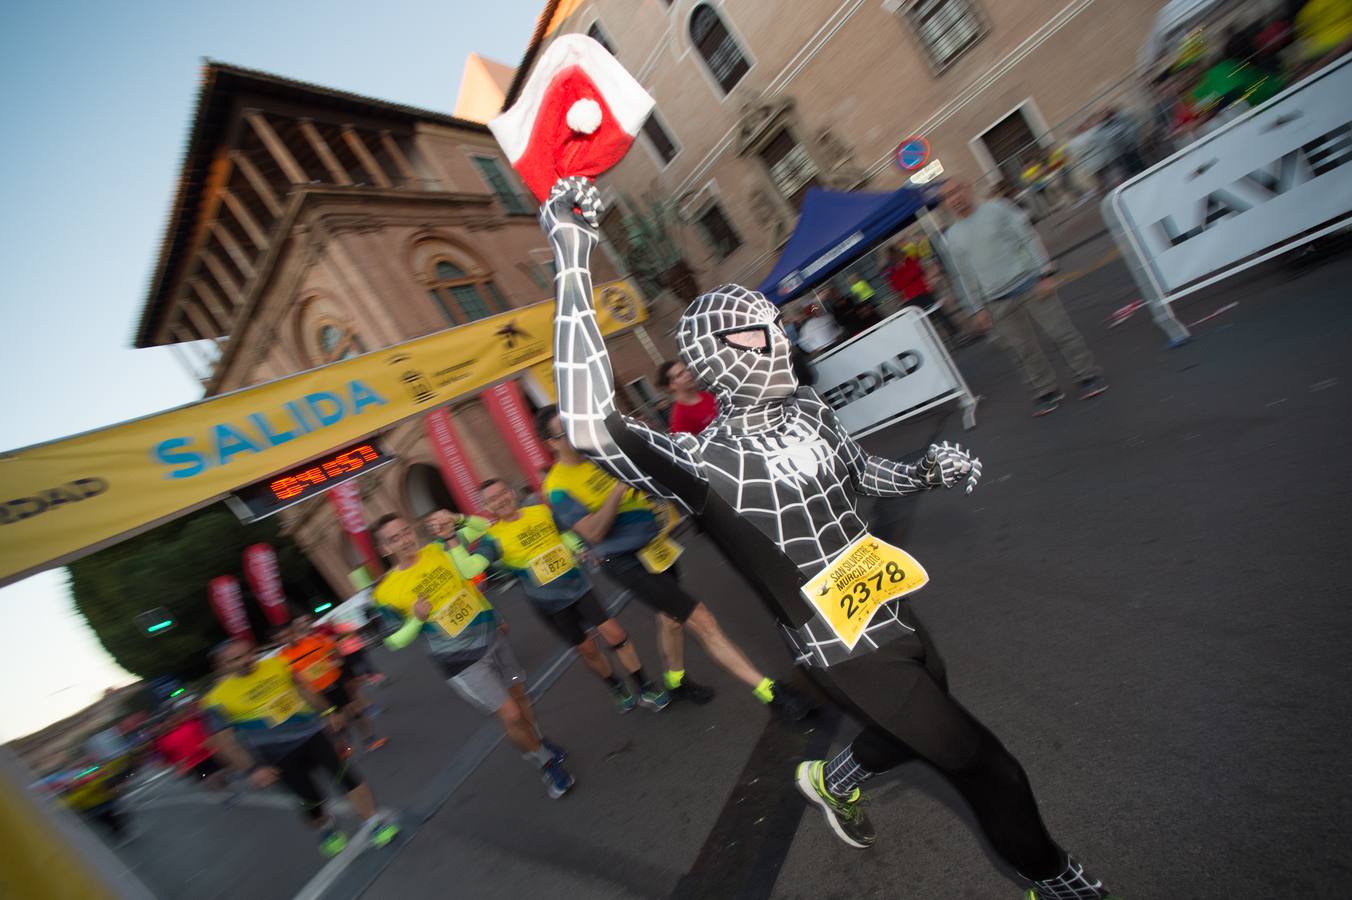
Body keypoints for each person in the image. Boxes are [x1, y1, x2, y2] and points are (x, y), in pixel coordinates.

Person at [536, 175, 1114, 899]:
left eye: (773, 321)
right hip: (839, 646)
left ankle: (835, 778)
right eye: (755, 329)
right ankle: (1056, 880)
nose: (777, 335)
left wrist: (925, 473)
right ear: (714, 359)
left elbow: (863, 474)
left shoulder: (810, 408)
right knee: (985, 765)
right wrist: (570, 246)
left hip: (889, 603)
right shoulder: (701, 461)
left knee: (915, 721)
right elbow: (590, 424)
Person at [536, 405, 813, 721]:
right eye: (565, 432)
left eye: (576, 425)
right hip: (625, 561)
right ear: (551, 443)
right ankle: (769, 692)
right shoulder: (557, 487)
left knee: (671, 619)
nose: (576, 434)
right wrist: (618, 487)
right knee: (701, 619)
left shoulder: (601, 455)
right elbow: (594, 533)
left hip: (655, 547)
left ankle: (674, 681)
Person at [370, 513, 575, 799]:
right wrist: (416, 619)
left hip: (491, 635)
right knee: (511, 714)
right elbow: (393, 641)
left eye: (405, 531)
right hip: (459, 661)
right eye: (394, 538)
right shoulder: (385, 592)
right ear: (385, 549)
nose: (404, 539)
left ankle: (538, 742)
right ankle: (545, 761)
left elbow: (484, 533)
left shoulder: (438, 549)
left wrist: (457, 519)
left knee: (521, 698)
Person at [457, 479, 671, 713]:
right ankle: (616, 686)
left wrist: (578, 547)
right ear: (487, 507)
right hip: (550, 603)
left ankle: (644, 687)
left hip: (578, 586)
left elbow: (563, 533)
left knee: (615, 633)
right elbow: (470, 569)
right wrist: (453, 534)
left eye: (503, 493)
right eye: (493, 499)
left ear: (511, 492)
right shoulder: (492, 538)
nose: (501, 500)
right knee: (587, 649)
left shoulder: (539, 511)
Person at [201, 639, 399, 857]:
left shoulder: (277, 664)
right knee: (310, 800)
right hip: (277, 755)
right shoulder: (215, 699)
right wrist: (253, 769)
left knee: (346, 777)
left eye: (249, 653)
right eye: (235, 659)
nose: (246, 660)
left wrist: (329, 712)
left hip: (313, 735)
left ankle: (373, 823)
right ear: (221, 666)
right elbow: (225, 740)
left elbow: (304, 689)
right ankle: (325, 827)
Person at [939, 178, 1107, 417]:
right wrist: (976, 308)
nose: (953, 199)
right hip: (996, 300)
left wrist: (1045, 272)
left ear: (967, 187)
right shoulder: (952, 236)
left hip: (1029, 283)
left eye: (956, 190)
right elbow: (962, 276)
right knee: (1022, 350)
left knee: (1060, 332)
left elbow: (1026, 237)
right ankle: (1046, 391)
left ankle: (1089, 375)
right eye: (947, 197)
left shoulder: (998, 208)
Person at [279, 616, 387, 757]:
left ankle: (370, 740)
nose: (287, 639)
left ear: (293, 632)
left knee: (355, 711)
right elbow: (290, 680)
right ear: (278, 641)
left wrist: (336, 661)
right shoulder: (281, 658)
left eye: (288, 634)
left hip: (335, 682)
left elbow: (335, 652)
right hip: (317, 694)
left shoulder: (314, 639)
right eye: (282, 638)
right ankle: (343, 746)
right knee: (334, 723)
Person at [883, 244, 963, 342]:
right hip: (911, 299)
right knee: (923, 323)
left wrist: (907, 278)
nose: (896, 257)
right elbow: (897, 286)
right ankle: (932, 342)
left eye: (896, 254)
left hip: (923, 292)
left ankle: (955, 334)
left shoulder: (910, 260)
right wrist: (910, 276)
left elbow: (917, 270)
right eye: (893, 256)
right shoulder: (893, 272)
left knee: (940, 314)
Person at [657, 359, 719, 435]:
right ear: (672, 386)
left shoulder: (707, 395)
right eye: (680, 374)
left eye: (686, 370)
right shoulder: (679, 419)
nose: (687, 374)